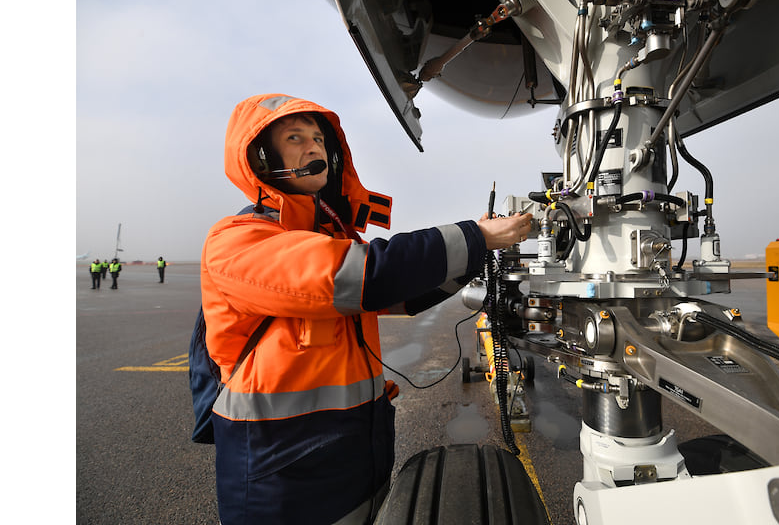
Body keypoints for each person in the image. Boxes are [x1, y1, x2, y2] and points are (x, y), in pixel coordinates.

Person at [201, 93, 532, 525]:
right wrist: (474, 237)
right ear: (262, 158)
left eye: (318, 138)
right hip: (281, 476)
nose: (313, 147)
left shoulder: (329, 239)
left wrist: (471, 255)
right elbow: (367, 275)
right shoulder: (239, 239)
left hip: (355, 456)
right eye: (295, 137)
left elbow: (401, 295)